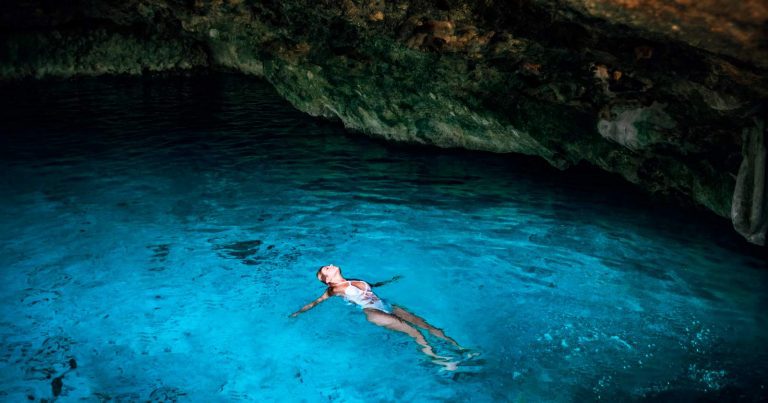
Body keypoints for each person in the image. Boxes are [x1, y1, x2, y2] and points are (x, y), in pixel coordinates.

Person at [290, 264, 465, 370]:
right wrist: (298, 313)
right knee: (415, 333)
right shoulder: (334, 289)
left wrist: (391, 281)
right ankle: (440, 361)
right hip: (373, 312)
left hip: (385, 304)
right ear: (327, 280)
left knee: (429, 327)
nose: (328, 265)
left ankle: (460, 349)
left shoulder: (353, 279)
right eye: (325, 269)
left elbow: (372, 285)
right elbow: (316, 302)